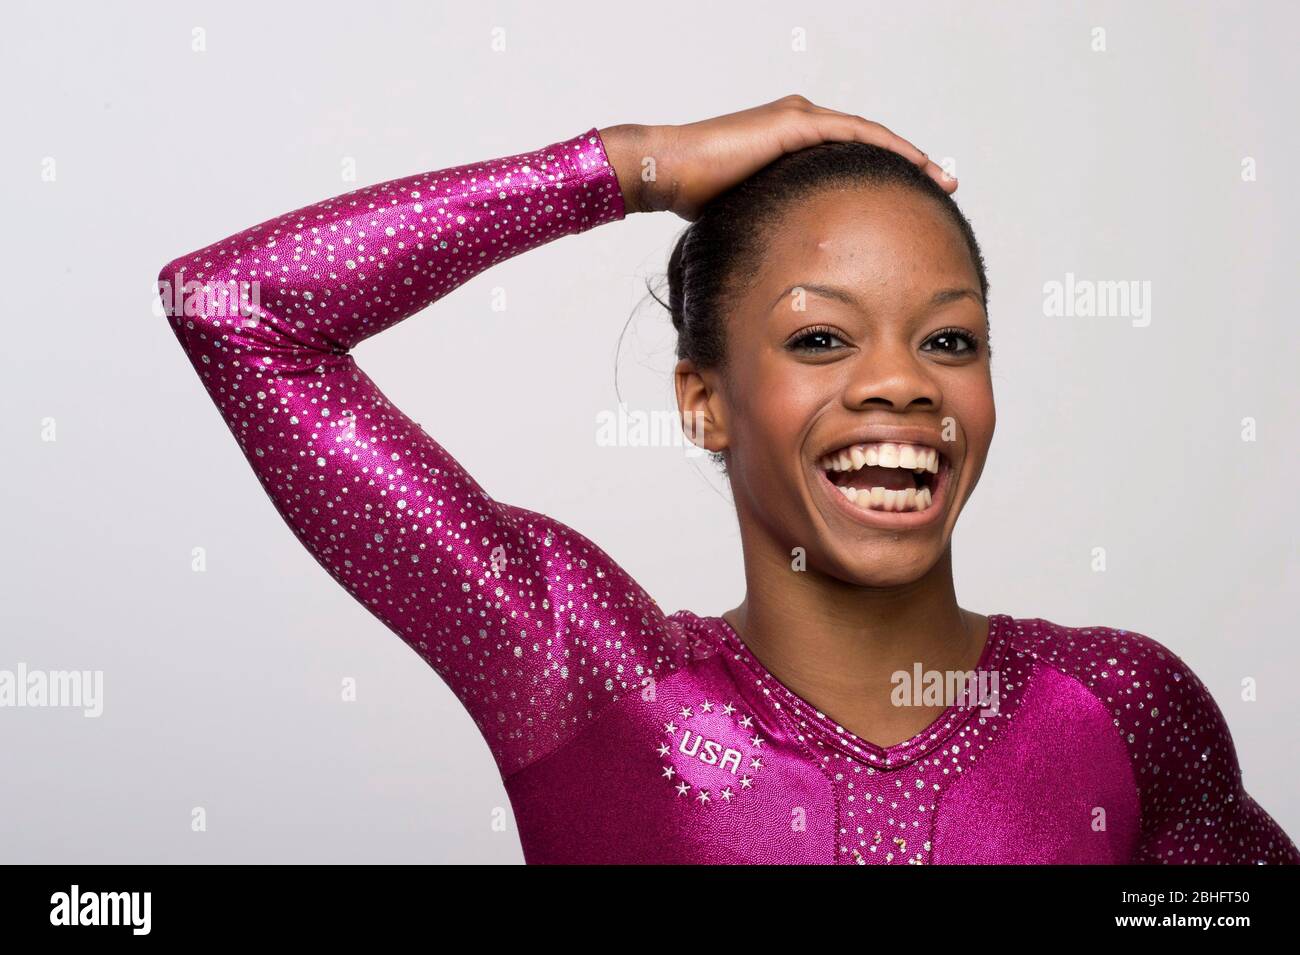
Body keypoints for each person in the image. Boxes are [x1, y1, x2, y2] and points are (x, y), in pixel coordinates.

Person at [158, 95, 1298, 864]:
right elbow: (238, 307)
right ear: (703, 400)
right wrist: (632, 166)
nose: (900, 384)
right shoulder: (581, 671)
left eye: (950, 342)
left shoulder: (1118, 706)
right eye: (818, 340)